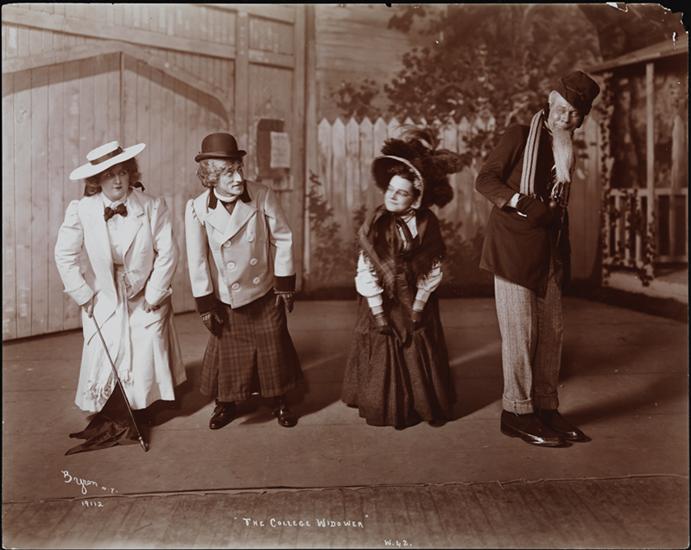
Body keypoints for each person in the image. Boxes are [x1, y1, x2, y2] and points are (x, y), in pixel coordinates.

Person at [475, 70, 600, 447]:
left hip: (549, 254)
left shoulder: (566, 149)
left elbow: (559, 211)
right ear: (549, 102)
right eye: (561, 108)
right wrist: (521, 202)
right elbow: (485, 179)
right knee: (520, 333)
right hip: (513, 249)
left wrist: (564, 256)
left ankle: (545, 408)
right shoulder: (519, 135)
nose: (566, 117)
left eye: (574, 113)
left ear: (581, 118)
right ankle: (516, 412)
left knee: (551, 334)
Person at [54, 140, 186, 454]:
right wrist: (83, 294)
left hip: (144, 288)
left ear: (131, 174)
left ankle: (138, 411)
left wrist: (154, 292)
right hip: (103, 291)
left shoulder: (151, 206)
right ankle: (113, 412)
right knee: (108, 348)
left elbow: (168, 252)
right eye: (109, 175)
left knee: (142, 346)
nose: (117, 180)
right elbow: (64, 254)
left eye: (123, 172)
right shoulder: (82, 210)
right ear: (96, 181)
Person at [341, 128, 465, 429]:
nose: (392, 196)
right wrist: (378, 311)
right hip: (382, 298)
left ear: (416, 198)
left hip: (416, 294)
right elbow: (366, 267)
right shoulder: (376, 222)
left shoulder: (426, 223)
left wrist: (419, 305)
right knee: (385, 344)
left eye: (402, 192)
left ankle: (424, 406)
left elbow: (432, 266)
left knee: (418, 343)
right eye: (390, 189)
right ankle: (387, 407)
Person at [185, 132, 302, 430]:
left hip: (263, 290)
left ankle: (279, 399)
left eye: (239, 169)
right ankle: (226, 403)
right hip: (227, 297)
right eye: (228, 173)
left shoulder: (262, 195)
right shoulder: (197, 208)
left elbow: (283, 239)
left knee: (273, 347)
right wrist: (205, 304)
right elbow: (197, 260)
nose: (238, 178)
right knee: (228, 353)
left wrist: (284, 285)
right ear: (211, 177)